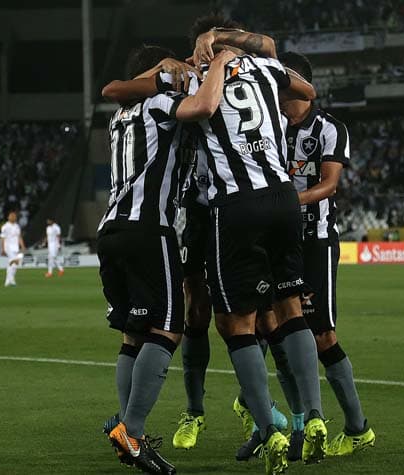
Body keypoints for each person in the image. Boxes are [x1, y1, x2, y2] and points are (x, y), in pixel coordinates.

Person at [191, 27, 327, 472]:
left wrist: (208, 60)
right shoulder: (268, 68)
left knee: (235, 322)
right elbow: (306, 88)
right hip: (284, 196)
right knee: (290, 309)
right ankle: (314, 417)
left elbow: (202, 108)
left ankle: (269, 432)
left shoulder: (200, 76)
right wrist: (245, 49)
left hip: (238, 204)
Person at [97, 44, 230, 474]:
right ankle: (132, 432)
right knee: (170, 327)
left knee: (132, 335)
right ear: (155, 75)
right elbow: (203, 107)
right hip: (147, 230)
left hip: (110, 231)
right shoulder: (158, 103)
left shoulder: (119, 119)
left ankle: (124, 425)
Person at [170, 14, 288, 453]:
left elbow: (271, 48)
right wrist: (179, 61)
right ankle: (195, 411)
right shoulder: (189, 77)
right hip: (198, 210)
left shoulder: (252, 72)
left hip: (236, 207)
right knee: (197, 312)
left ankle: (267, 415)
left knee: (260, 314)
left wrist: (221, 45)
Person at [279, 50, 376, 458]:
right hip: (279, 240)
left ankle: (357, 428)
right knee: (279, 333)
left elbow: (330, 184)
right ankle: (300, 424)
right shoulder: (270, 127)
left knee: (321, 335)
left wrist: (289, 201)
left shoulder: (329, 128)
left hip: (315, 239)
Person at [0, 211, 25, 287]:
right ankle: (12, 281)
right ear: (8, 217)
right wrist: (3, 249)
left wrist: (23, 246)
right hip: (8, 247)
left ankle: (7, 282)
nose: (13, 217)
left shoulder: (17, 226)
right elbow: (2, 238)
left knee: (15, 263)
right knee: (14, 262)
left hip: (16, 247)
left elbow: (19, 237)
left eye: (14, 216)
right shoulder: (5, 227)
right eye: (12, 216)